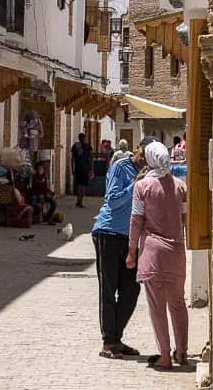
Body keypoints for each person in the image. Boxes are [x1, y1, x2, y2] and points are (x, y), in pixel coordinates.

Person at [92, 136, 155, 359]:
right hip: (109, 234)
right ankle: (109, 342)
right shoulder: (121, 166)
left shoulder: (152, 173)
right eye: (143, 154)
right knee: (108, 290)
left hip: (132, 240)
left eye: (149, 157)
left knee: (131, 291)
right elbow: (112, 200)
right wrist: (135, 184)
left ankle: (115, 338)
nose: (145, 160)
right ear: (137, 149)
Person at [127, 142, 188, 371]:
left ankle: (164, 356)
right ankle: (182, 352)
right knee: (178, 304)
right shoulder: (180, 186)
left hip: (153, 253)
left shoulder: (142, 186)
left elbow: (136, 220)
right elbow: (184, 218)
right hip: (177, 253)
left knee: (157, 306)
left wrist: (132, 251)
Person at [71, 133, 93, 208]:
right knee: (82, 185)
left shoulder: (76, 146)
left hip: (79, 168)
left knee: (79, 185)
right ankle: (80, 201)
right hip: (84, 168)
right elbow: (91, 158)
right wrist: (91, 169)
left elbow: (72, 158)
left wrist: (72, 168)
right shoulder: (87, 146)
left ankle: (79, 200)